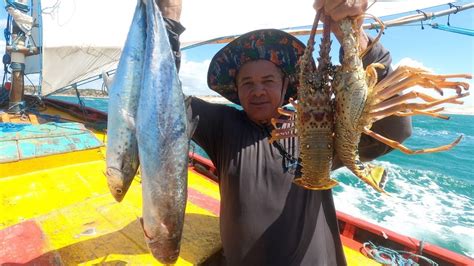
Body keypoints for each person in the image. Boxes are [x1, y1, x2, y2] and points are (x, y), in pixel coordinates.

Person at [159, 0, 412, 265]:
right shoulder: (222, 126)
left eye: (268, 81)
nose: (257, 90)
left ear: (285, 86)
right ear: (236, 90)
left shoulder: (320, 127)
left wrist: (355, 37)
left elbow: (395, 129)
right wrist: (169, 25)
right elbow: (164, 100)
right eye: (247, 82)